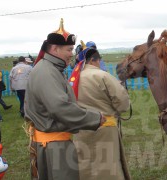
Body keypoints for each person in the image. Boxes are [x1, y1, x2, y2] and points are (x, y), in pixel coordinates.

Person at [24, 18, 107, 180]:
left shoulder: (49, 69)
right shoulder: (47, 72)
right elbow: (60, 108)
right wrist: (95, 118)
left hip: (51, 144)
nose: (72, 54)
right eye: (69, 50)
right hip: (54, 147)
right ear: (55, 49)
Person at [71, 48, 131, 179]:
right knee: (108, 166)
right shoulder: (103, 75)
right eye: (99, 60)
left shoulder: (73, 79)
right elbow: (122, 104)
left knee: (85, 165)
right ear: (94, 60)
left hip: (80, 130)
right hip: (104, 129)